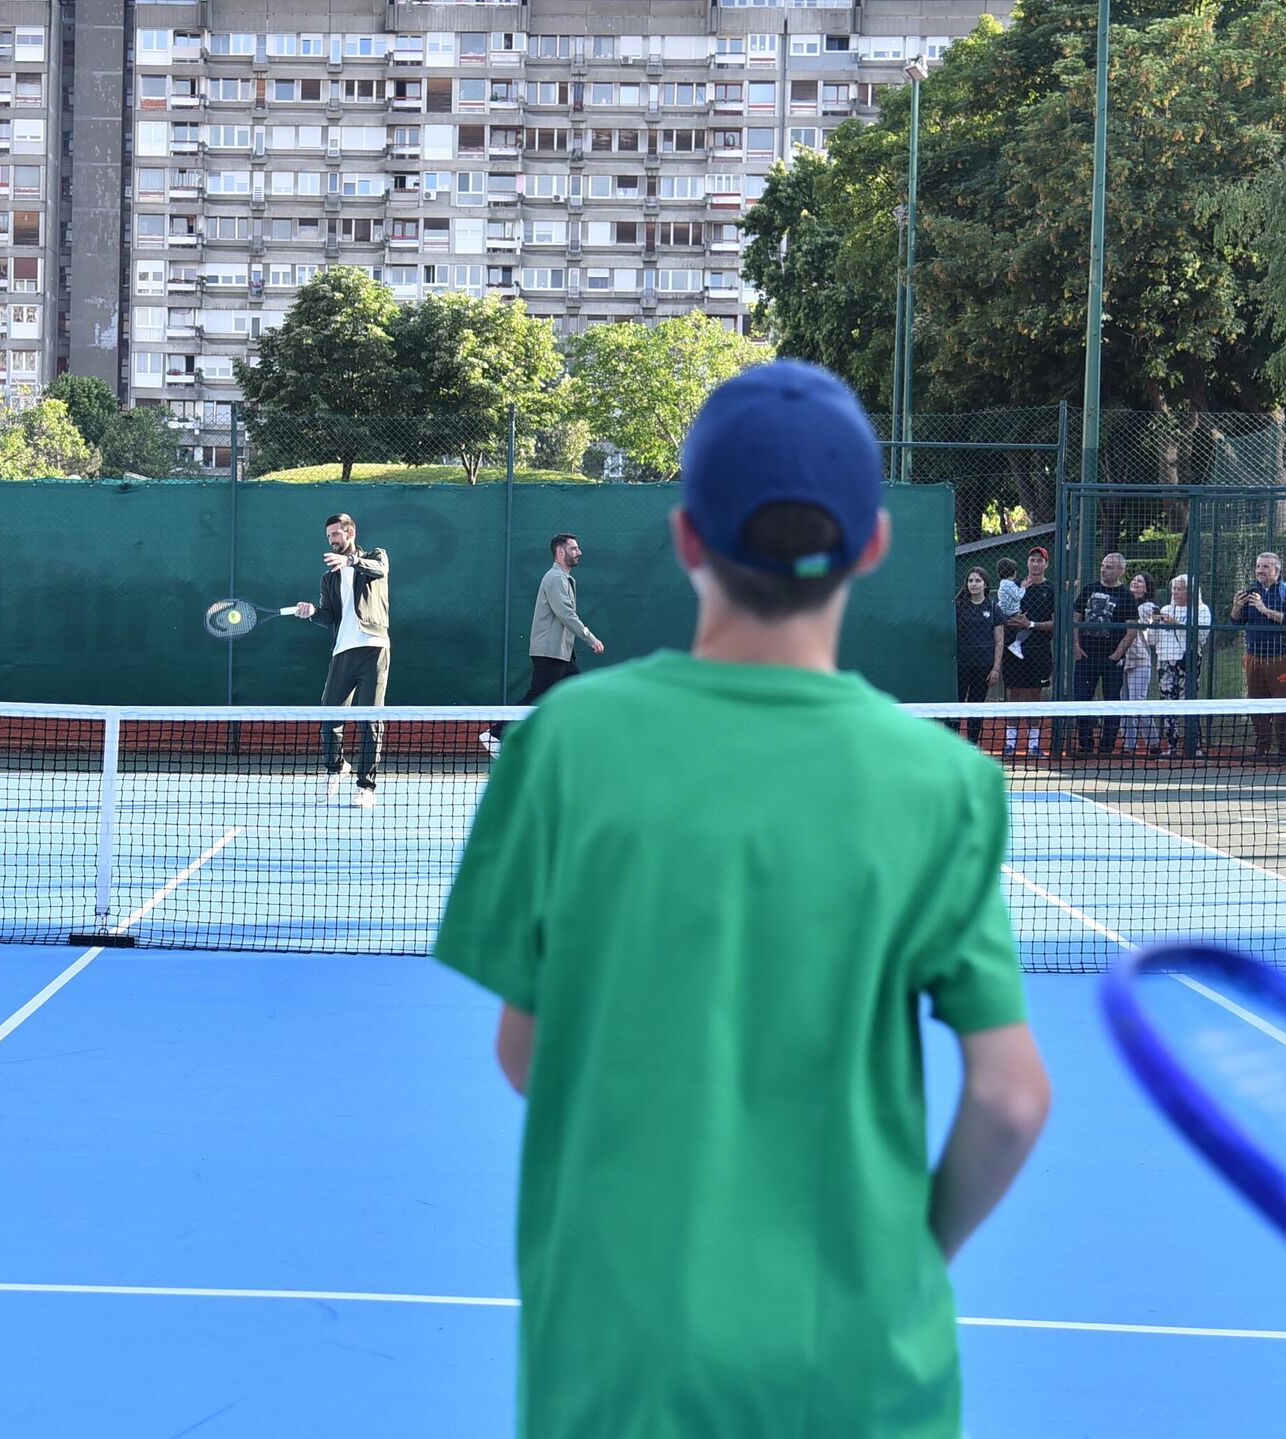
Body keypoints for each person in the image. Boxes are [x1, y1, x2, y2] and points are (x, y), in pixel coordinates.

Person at [435, 360, 1049, 1439]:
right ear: (872, 544)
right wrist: (904, 1257)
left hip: (616, 1367)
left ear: (687, 539)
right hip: (862, 1377)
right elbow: (1010, 1100)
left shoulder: (564, 747)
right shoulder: (946, 784)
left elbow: (524, 1053)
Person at [293, 512, 389, 807]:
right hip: (342, 651)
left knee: (369, 718)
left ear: (350, 533)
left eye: (335, 534)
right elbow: (330, 617)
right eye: (328, 536)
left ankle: (367, 787)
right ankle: (336, 768)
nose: (332, 540)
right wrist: (312, 613)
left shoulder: (375, 556)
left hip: (374, 647)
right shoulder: (328, 578)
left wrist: (350, 561)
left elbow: (379, 570)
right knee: (329, 715)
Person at [481, 533, 604, 757]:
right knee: (536, 697)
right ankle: (496, 734)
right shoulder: (555, 578)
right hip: (550, 653)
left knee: (576, 695)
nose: (579, 552)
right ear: (560, 552)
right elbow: (566, 614)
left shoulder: (563, 578)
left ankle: (571, 743)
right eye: (574, 548)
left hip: (563, 654)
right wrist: (590, 638)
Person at [1230, 551, 1286, 758]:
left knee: (1283, 705)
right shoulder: (1250, 592)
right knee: (1257, 704)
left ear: (1277, 570)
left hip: (1281, 657)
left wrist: (1264, 610)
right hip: (1254, 657)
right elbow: (1236, 622)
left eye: (1265, 567)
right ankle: (1262, 748)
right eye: (1258, 566)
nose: (1260, 571)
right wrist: (1236, 607)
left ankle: (1284, 750)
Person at [1071, 551, 1132, 754]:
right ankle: (1085, 744)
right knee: (1081, 700)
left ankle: (1107, 746)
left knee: (1112, 701)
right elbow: (1076, 618)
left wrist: (1116, 655)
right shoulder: (1089, 589)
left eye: (1109, 567)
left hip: (1111, 661)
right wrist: (1076, 647)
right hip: (1086, 657)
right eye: (1103, 565)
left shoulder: (1126, 595)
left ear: (1120, 571)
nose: (1103, 570)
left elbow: (1132, 628)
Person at [1000, 545, 1056, 757]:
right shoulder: (1014, 587)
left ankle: (1033, 745)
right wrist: (1010, 622)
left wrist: (1030, 624)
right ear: (1027, 563)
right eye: (1032, 560)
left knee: (1034, 696)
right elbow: (1003, 614)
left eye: (1040, 560)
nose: (1036, 563)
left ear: (1046, 564)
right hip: (1013, 652)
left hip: (1039, 652)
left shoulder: (1051, 589)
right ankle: (1010, 744)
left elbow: (1056, 623)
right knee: (1014, 694)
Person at [1150, 574, 1211, 756]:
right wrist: (1154, 623)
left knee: (1189, 702)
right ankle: (1171, 745)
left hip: (1188, 661)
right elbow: (1151, 639)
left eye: (1180, 589)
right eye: (1174, 589)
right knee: (1168, 703)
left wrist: (1176, 624)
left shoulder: (1201, 610)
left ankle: (1195, 745)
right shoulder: (1165, 609)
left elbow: (1201, 636)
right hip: (1164, 661)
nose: (1176, 592)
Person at [953, 566, 1003, 741]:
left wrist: (996, 668)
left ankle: (972, 743)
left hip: (983, 667)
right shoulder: (958, 607)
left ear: (985, 584)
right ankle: (951, 745)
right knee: (955, 706)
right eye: (970, 580)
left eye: (977, 581)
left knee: (976, 706)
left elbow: (999, 641)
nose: (973, 584)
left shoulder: (994, 608)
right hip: (960, 666)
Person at [1119, 574, 1158, 754]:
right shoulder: (1125, 603)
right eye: (1134, 580)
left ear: (1146, 588)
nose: (1135, 582)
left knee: (1137, 702)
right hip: (1122, 660)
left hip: (1140, 660)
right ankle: (1129, 744)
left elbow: (1145, 631)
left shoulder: (1148, 607)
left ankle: (1153, 742)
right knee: (1124, 704)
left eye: (1140, 581)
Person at [994, 557, 1025, 665]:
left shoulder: (1003, 583)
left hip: (1005, 612)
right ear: (1013, 572)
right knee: (1027, 627)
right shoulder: (1008, 583)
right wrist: (1024, 587)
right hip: (1011, 613)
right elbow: (1017, 596)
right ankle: (1016, 644)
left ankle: (1011, 647)